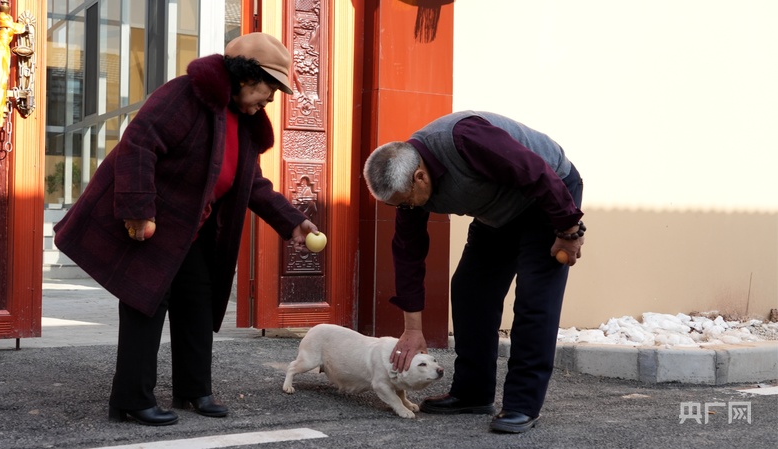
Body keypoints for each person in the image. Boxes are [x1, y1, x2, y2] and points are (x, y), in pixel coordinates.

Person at [54, 32, 319, 426]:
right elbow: (139, 143)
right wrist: (138, 209)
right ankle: (130, 399)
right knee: (146, 303)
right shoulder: (186, 96)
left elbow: (252, 184)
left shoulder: (244, 124)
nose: (270, 100)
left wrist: (291, 220)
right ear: (245, 76)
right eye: (270, 88)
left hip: (191, 228)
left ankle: (194, 390)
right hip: (154, 218)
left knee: (198, 299)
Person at [362, 110, 584, 434]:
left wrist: (569, 229)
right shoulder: (407, 190)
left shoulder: (467, 139)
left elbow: (536, 173)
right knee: (470, 290)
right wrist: (412, 330)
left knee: (535, 300)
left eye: (406, 203)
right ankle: (472, 393)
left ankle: (522, 405)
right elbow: (408, 254)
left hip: (549, 198)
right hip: (497, 212)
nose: (405, 210)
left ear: (420, 177)